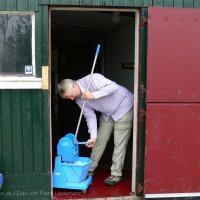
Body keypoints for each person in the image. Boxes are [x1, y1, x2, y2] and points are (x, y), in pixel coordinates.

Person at [58, 73, 134, 186]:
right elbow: (90, 116)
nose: (71, 99)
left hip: (123, 106)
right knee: (98, 140)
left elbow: (113, 87)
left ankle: (116, 174)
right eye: (69, 98)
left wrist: (93, 95)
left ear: (73, 85)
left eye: (70, 96)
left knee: (119, 143)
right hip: (107, 113)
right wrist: (93, 136)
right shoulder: (79, 100)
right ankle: (89, 168)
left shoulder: (92, 79)